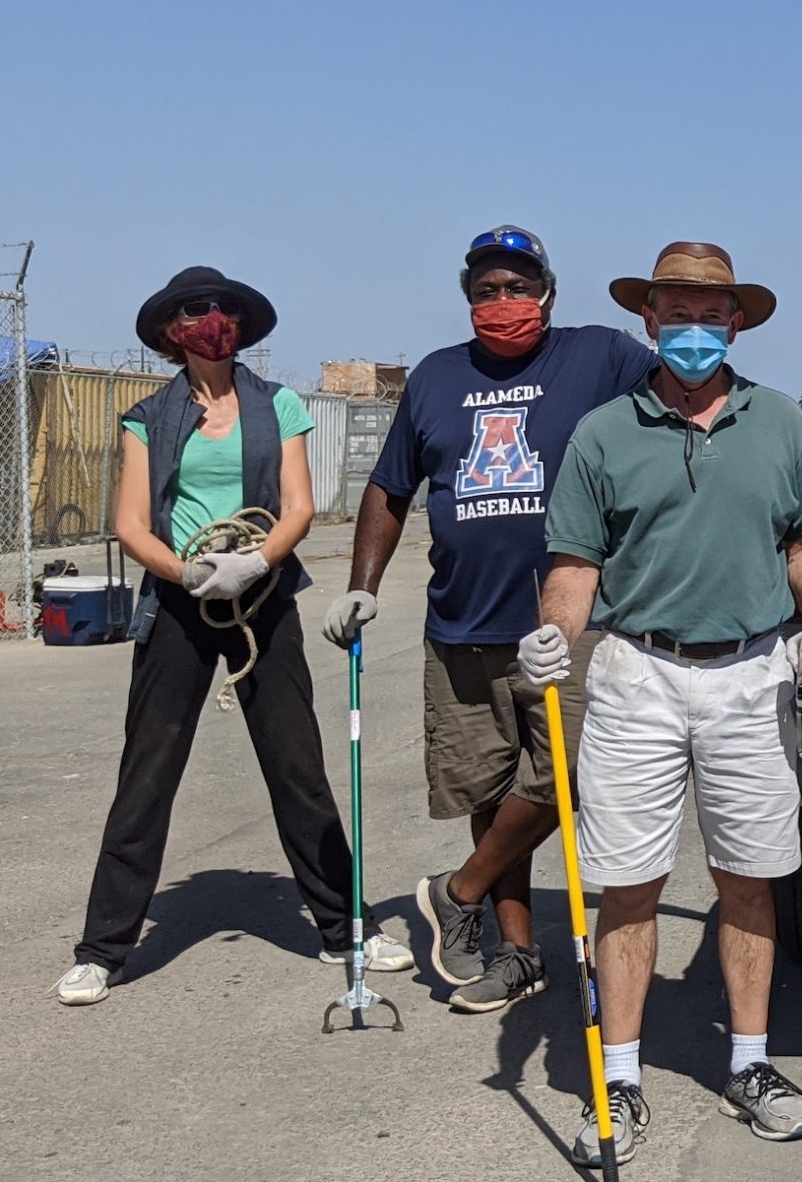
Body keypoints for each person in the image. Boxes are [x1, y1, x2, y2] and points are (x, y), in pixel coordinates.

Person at [524, 242, 802, 1163]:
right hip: (636, 671)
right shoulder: (601, 433)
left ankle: (749, 1063)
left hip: (752, 671)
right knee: (627, 883)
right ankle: (617, 1079)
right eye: (678, 313)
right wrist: (556, 630)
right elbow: (576, 564)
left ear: (736, 322)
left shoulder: (781, 423)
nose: (695, 330)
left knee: (748, 876)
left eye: (713, 315)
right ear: (649, 320)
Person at [320, 226, 659, 1013]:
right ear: (467, 298)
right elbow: (389, 485)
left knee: (568, 776)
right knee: (488, 787)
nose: (502, 302)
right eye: (485, 290)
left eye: (516, 286)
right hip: (462, 622)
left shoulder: (598, 356)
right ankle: (517, 953)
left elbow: (682, 387)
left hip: (570, 624)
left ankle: (456, 889)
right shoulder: (438, 377)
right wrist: (362, 583)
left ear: (547, 291)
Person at [58, 268, 412, 1006]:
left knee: (297, 767)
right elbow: (127, 524)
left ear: (241, 326)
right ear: (169, 332)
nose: (211, 320)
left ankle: (346, 927)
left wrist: (252, 560)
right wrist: (188, 574)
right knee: (147, 771)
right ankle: (104, 948)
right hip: (182, 601)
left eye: (222, 310)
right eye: (195, 312)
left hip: (260, 593)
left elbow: (299, 505)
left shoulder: (277, 405)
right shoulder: (143, 417)